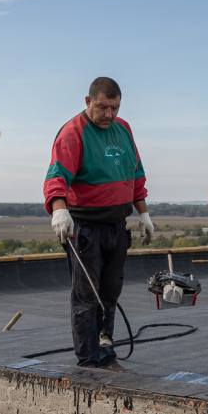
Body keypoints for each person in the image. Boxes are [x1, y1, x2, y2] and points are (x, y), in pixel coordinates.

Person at [43, 77, 154, 370]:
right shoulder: (73, 133)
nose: (109, 114)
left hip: (117, 226)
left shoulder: (124, 129)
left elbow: (136, 175)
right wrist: (59, 210)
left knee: (109, 294)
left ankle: (107, 355)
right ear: (88, 101)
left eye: (114, 108)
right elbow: (56, 177)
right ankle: (89, 361)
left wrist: (143, 213)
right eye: (103, 107)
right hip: (86, 229)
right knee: (86, 296)